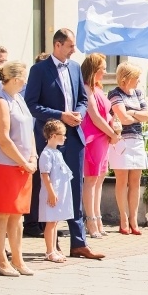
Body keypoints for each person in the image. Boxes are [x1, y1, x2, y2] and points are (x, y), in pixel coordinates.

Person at [25, 29, 104, 259]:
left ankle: (79, 242)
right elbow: (32, 105)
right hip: (50, 140)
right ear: (57, 45)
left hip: (74, 136)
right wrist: (61, 115)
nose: (74, 50)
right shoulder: (39, 70)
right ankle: (53, 243)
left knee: (75, 189)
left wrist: (77, 114)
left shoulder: (75, 68)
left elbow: (81, 99)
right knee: (51, 189)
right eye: (70, 46)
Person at [0, 61, 37, 276]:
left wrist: (33, 156)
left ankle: (18, 259)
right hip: (6, 165)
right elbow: (3, 139)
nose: (26, 81)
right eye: (24, 76)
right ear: (15, 79)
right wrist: (24, 161)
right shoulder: (2, 101)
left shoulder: (19, 99)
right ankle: (1, 261)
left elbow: (29, 130)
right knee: (3, 215)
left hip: (23, 166)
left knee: (17, 215)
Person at [107, 62, 148, 235]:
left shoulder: (138, 93)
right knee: (122, 181)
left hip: (137, 140)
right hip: (121, 142)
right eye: (136, 77)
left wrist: (131, 113)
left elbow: (147, 116)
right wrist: (135, 115)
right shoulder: (114, 94)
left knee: (135, 181)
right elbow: (122, 119)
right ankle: (123, 218)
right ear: (126, 79)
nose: (139, 80)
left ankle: (134, 218)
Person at [81, 54, 119, 238]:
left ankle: (98, 218)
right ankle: (90, 220)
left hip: (104, 138)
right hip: (94, 138)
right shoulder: (86, 89)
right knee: (91, 179)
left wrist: (115, 126)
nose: (105, 71)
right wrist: (112, 134)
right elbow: (95, 117)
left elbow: (106, 114)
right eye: (102, 68)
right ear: (93, 69)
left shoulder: (98, 89)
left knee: (100, 179)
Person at [39, 120, 75, 263]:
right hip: (51, 194)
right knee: (50, 223)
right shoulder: (47, 154)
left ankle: (54, 249)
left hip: (58, 193)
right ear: (53, 135)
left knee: (55, 222)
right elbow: (45, 174)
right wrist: (51, 192)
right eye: (62, 135)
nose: (65, 137)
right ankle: (49, 251)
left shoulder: (57, 152)